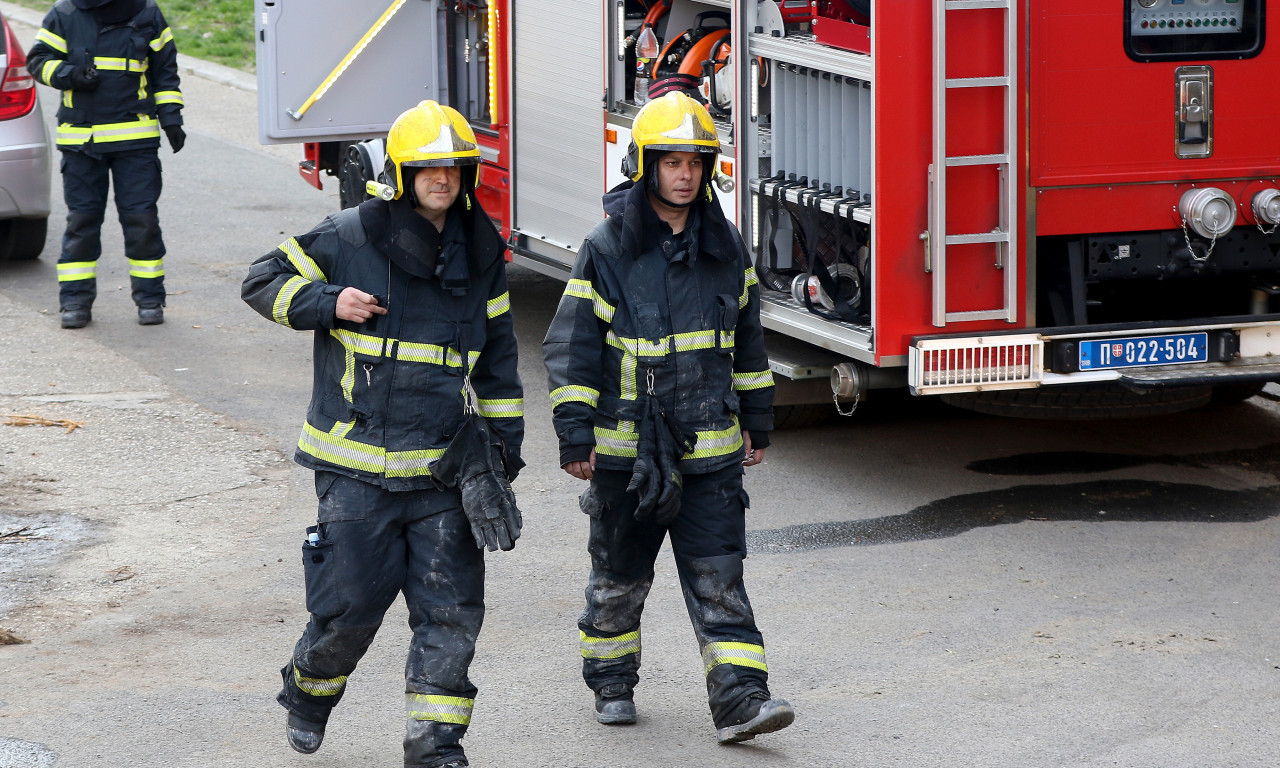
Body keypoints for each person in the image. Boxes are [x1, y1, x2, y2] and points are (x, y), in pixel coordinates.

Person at [241, 100, 524, 768]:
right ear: (401, 172)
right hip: (355, 472)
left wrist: (502, 455)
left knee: (452, 614)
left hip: (442, 477)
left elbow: (499, 359)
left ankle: (435, 746)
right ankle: (309, 692)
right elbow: (261, 281)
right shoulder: (348, 236)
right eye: (427, 167)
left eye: (452, 168)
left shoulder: (480, 252)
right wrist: (326, 302)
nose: (441, 179)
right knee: (347, 614)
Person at [542, 91, 795, 745]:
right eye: (672, 160)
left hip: (708, 453)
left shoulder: (724, 245)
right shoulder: (607, 247)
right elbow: (571, 346)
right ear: (644, 165)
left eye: (696, 161)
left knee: (719, 577)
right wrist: (575, 435)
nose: (685, 173)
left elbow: (746, 340)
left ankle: (742, 700)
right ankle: (612, 682)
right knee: (620, 578)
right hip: (626, 456)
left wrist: (758, 421)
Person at [27, 0, 185, 329]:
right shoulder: (65, 14)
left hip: (135, 141)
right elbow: (38, 61)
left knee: (141, 220)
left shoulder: (146, 12)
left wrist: (171, 118)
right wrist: (70, 75)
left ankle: (150, 298)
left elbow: (164, 71)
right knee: (82, 222)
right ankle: (75, 301)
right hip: (82, 143)